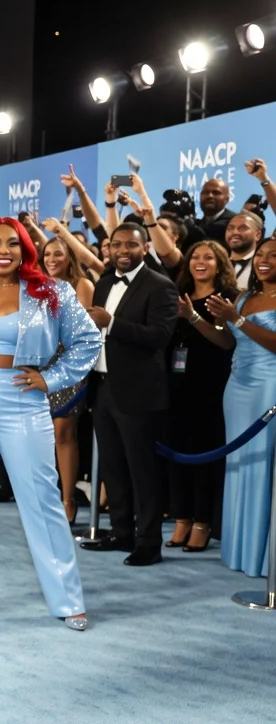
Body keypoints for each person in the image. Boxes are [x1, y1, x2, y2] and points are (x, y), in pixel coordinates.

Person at [0, 218, 99, 630]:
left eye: (13, 242)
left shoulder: (52, 291)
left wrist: (52, 378)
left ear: (26, 248)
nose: (3, 250)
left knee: (42, 500)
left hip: (23, 399)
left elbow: (88, 340)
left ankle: (67, 599)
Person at [79, 223, 179, 566]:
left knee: (142, 470)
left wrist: (112, 323)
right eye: (116, 244)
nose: (122, 250)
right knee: (112, 466)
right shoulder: (104, 283)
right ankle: (121, 532)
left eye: (131, 245)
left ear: (145, 247)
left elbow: (160, 337)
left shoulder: (160, 286)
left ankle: (149, 541)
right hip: (103, 387)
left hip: (138, 392)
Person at [207, 236, 276, 577]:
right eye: (261, 254)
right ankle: (240, 551)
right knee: (239, 465)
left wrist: (237, 318)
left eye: (273, 255)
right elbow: (226, 340)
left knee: (263, 468)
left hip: (269, 389)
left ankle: (264, 557)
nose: (264, 260)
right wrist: (192, 316)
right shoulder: (244, 296)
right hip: (236, 388)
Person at [163, 241, 237, 553]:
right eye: (195, 256)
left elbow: (226, 342)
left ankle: (203, 523)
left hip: (209, 388)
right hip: (175, 388)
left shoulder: (226, 300)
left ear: (220, 265)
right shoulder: (175, 296)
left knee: (204, 457)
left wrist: (192, 316)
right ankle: (181, 518)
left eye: (209, 257)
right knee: (177, 453)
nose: (200, 261)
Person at [40, 234, 97, 522]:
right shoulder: (35, 287)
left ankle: (68, 500)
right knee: (42, 436)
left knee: (63, 433)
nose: (51, 259)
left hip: (68, 365)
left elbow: (80, 332)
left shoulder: (82, 285)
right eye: (47, 253)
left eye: (58, 254)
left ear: (70, 258)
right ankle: (45, 498)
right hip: (39, 365)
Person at [223, 211, 262, 290]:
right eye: (230, 228)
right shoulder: (216, 263)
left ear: (257, 235)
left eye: (243, 228)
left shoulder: (263, 266)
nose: (234, 232)